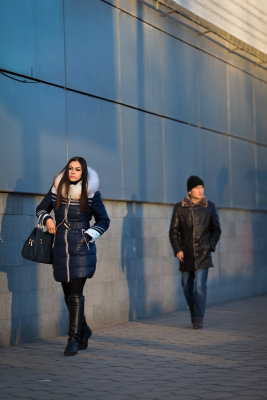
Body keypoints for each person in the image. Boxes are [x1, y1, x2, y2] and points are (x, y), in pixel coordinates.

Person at [36, 156, 110, 355]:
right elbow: (41, 208)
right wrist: (47, 219)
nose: (73, 172)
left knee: (76, 294)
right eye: (70, 168)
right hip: (60, 248)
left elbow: (104, 221)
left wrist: (88, 235)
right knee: (68, 295)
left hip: (82, 249)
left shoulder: (91, 193)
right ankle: (84, 330)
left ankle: (73, 340)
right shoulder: (56, 190)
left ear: (83, 172)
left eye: (77, 169)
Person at [169, 176, 221, 329]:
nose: (201, 190)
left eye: (202, 187)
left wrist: (210, 246)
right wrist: (177, 249)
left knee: (200, 287)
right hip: (186, 254)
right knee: (186, 287)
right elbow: (173, 232)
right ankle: (195, 311)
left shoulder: (209, 206)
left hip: (203, 254)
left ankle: (198, 318)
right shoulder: (180, 207)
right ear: (190, 190)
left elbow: (216, 229)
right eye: (198, 187)